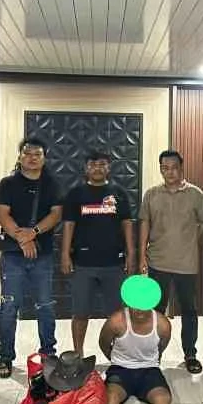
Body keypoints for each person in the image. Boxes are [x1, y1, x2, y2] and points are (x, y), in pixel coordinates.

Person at [0, 137, 63, 378]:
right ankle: (5, 356)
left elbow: (56, 214)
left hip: (42, 255)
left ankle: (48, 353)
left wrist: (33, 233)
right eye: (27, 153)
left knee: (45, 306)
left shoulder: (52, 184)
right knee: (9, 306)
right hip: (13, 256)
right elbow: (2, 214)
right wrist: (22, 239)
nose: (32, 158)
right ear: (20, 156)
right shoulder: (8, 183)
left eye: (37, 154)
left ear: (44, 158)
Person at [139, 150, 203, 374]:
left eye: (174, 168)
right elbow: (144, 223)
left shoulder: (195, 194)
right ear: (161, 169)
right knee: (156, 310)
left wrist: (192, 240)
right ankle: (153, 353)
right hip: (157, 261)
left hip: (186, 263)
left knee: (189, 309)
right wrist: (141, 255)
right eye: (165, 168)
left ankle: (190, 354)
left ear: (181, 168)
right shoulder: (152, 194)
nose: (170, 172)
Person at [61, 150, 135, 357]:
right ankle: (78, 354)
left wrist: (131, 253)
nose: (97, 168)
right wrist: (65, 254)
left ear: (108, 168)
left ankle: (119, 354)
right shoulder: (76, 194)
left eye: (102, 164)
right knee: (80, 313)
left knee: (117, 314)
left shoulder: (119, 193)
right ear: (86, 168)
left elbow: (127, 224)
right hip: (83, 264)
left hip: (114, 264)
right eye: (92, 164)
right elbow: (68, 225)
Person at [99, 275, 182, 404]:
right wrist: (115, 360)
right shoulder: (116, 321)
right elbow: (103, 343)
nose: (138, 310)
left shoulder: (162, 324)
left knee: (163, 398)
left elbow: (161, 347)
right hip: (120, 369)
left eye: (143, 305)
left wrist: (152, 361)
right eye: (134, 305)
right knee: (110, 398)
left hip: (149, 369)